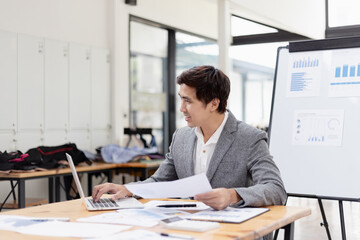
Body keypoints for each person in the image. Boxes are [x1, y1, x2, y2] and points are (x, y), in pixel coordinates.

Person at [92, 65, 287, 211]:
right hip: (189, 228)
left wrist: (232, 195)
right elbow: (159, 182)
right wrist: (127, 189)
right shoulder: (181, 137)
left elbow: (276, 189)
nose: (181, 108)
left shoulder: (249, 138)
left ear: (213, 104)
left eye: (188, 101)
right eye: (181, 98)